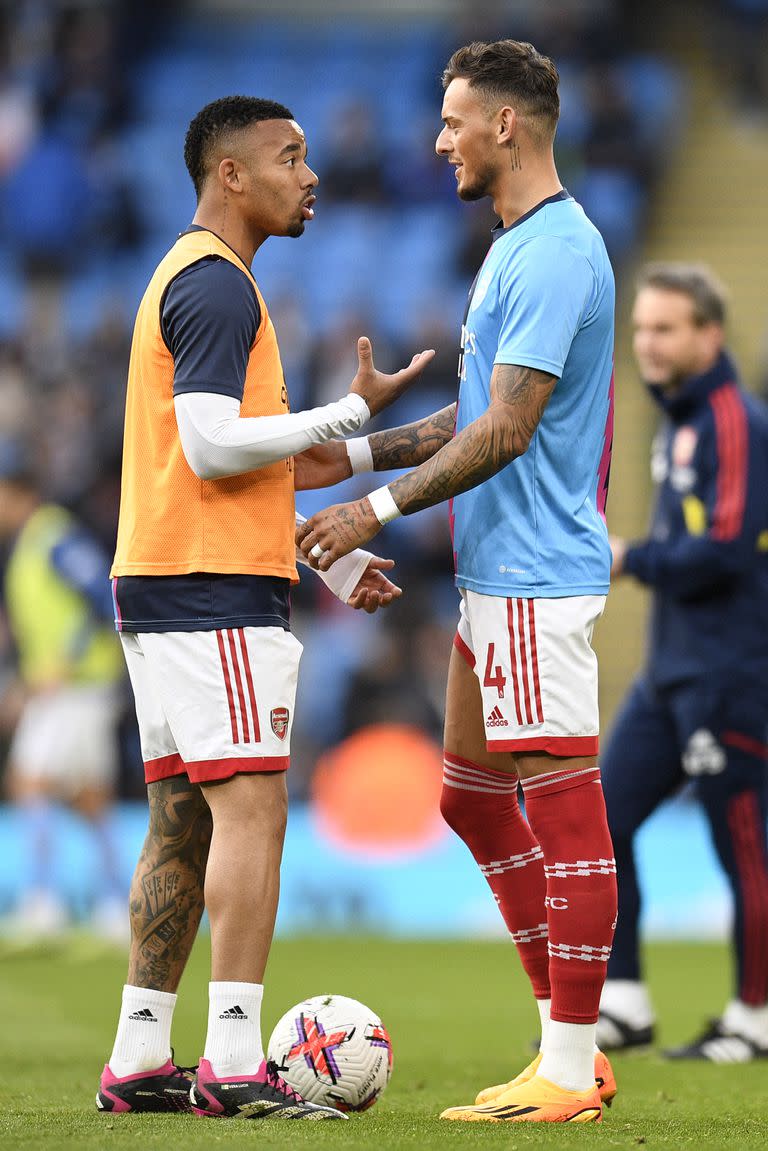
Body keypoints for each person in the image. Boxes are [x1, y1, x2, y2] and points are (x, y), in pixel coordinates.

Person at [297, 39, 618, 1123]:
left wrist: (370, 511)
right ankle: (563, 1044)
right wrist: (351, 455)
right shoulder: (513, 246)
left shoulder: (560, 250)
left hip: (534, 572)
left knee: (562, 807)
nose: (438, 140)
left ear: (506, 126)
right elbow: (470, 411)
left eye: (451, 120)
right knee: (470, 798)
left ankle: (573, 1064)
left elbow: (510, 429)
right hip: (495, 572)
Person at [97, 95, 434, 1121]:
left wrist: (411, 442)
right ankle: (236, 1055)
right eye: (291, 157)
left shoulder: (195, 278)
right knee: (253, 805)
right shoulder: (217, 284)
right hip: (208, 590)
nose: (312, 175)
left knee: (183, 817)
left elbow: (262, 460)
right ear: (231, 174)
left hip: (164, 577)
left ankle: (139, 1053)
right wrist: (348, 407)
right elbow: (209, 443)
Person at [598, 263, 768, 1062]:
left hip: (729, 671)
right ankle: (625, 999)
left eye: (664, 328)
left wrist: (633, 557)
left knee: (743, 843)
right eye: (640, 328)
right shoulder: (683, 421)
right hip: (670, 671)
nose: (647, 343)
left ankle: (755, 1017)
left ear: (710, 335)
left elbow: (730, 547)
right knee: (604, 815)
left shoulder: (736, 421)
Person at [0, 438, 127, 939]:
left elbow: (101, 597)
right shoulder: (30, 544)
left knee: (27, 780)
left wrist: (61, 665)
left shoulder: (53, 538)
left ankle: (43, 902)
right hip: (72, 688)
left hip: (78, 687)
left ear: (19, 493)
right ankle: (118, 903)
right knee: (88, 798)